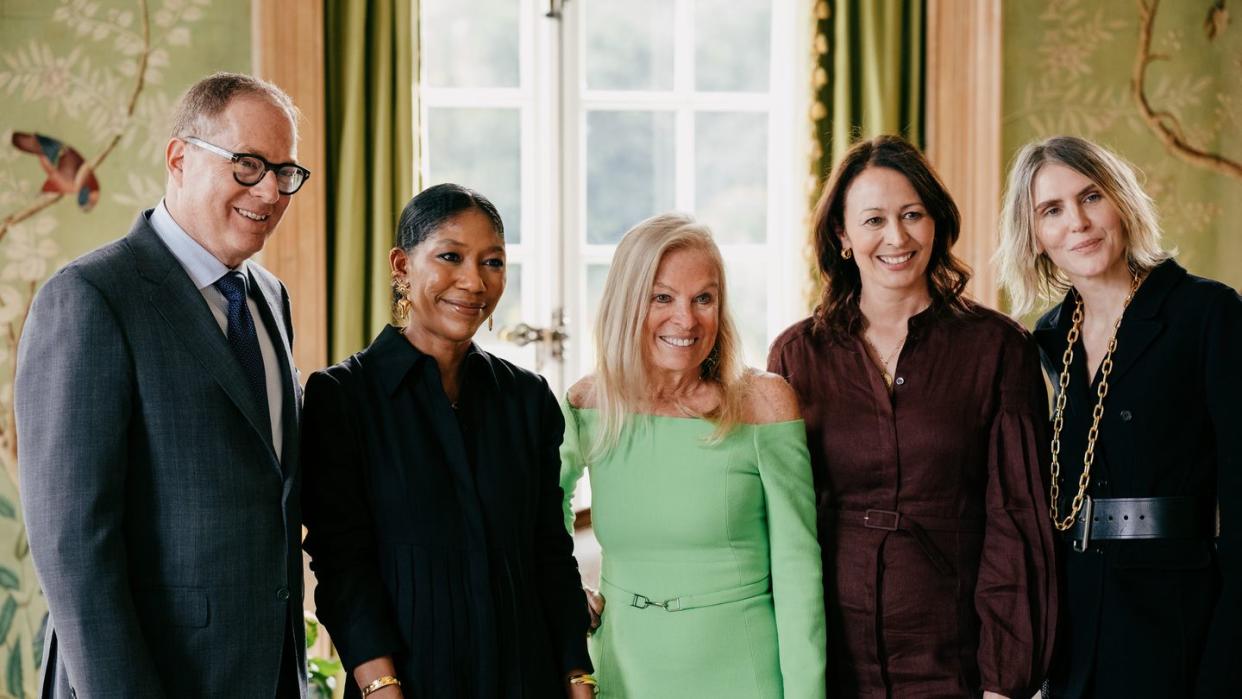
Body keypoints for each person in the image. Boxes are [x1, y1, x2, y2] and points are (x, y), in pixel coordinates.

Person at [16, 72, 309, 697]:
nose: (272, 191)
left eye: (285, 172)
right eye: (249, 165)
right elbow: (73, 548)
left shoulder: (272, 298)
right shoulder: (90, 298)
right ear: (180, 158)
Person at [768, 135, 1057, 698]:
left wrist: (1004, 680)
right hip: (829, 658)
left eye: (911, 215)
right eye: (873, 219)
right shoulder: (795, 355)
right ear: (842, 237)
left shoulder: (997, 348)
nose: (896, 237)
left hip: (956, 657)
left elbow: (1018, 518)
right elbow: (777, 520)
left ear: (936, 224)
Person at [301, 183, 594, 698]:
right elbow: (342, 564)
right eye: (450, 257)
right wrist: (381, 687)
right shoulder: (343, 397)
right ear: (401, 266)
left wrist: (577, 677)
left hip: (527, 679)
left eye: (492, 262)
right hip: (407, 686)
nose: (473, 281)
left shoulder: (527, 399)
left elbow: (550, 551)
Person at [997, 135, 1241, 698]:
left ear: (1121, 203)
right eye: (1051, 211)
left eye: (1091, 197)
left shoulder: (1205, 313)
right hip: (1078, 628)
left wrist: (1227, 663)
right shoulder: (1047, 337)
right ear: (1035, 236)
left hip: (1179, 623)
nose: (1077, 223)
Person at [560, 212, 827, 698]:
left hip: (744, 672)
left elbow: (798, 574)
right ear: (627, 303)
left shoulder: (763, 404)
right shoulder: (587, 404)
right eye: (662, 297)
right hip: (624, 670)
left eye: (703, 298)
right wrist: (564, 591)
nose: (686, 319)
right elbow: (535, 511)